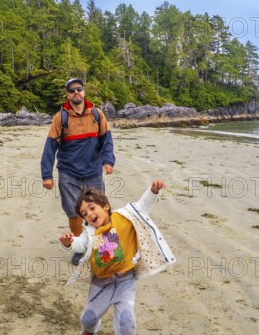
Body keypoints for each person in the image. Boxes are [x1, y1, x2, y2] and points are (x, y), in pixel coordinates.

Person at [58, 180, 176, 335]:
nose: (89, 214)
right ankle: (88, 331)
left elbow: (143, 206)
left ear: (105, 206)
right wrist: (69, 243)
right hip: (100, 283)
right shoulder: (91, 232)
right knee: (89, 319)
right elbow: (80, 244)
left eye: (92, 208)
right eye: (84, 214)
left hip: (125, 282)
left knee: (126, 322)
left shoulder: (124, 218)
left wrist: (153, 191)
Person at [41, 78, 115, 265]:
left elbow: (107, 140)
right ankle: (80, 247)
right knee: (74, 213)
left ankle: (103, 247)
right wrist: (46, 175)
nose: (76, 93)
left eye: (79, 89)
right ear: (67, 95)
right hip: (68, 173)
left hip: (93, 172)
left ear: (84, 92)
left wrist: (108, 161)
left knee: (100, 212)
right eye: (72, 90)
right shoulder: (61, 118)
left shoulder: (97, 114)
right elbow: (50, 147)